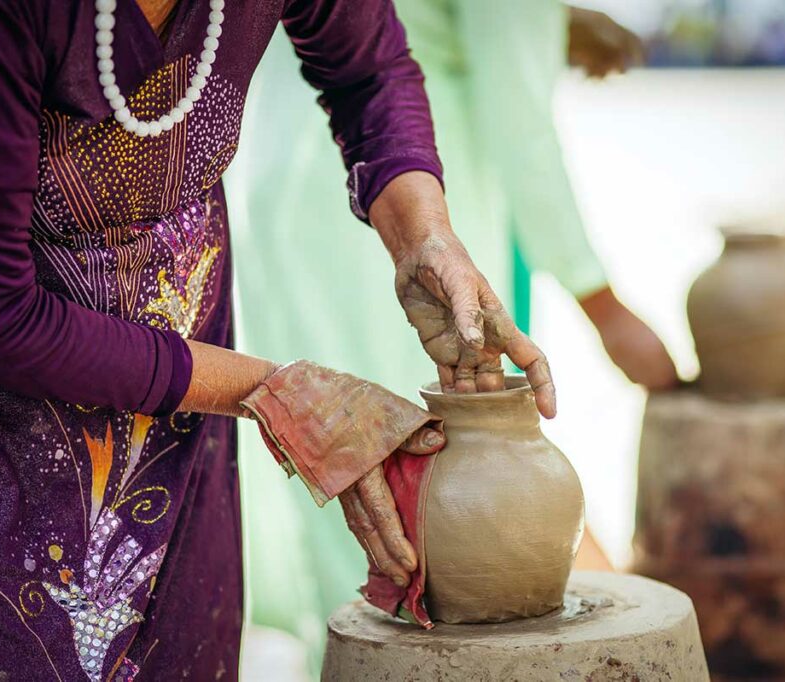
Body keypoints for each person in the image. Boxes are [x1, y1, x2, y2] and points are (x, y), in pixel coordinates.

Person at [0, 1, 552, 679]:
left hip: (176, 414)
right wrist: (269, 390)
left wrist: (425, 236)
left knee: (179, 649)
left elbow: (370, 70)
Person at [228, 0, 678, 667]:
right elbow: (520, 127)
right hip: (377, 214)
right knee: (388, 491)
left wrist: (548, 21)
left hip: (296, 180)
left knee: (361, 477)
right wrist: (602, 302)